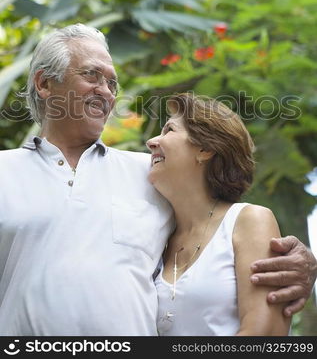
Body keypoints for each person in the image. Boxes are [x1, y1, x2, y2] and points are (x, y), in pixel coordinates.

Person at [0, 24, 315, 336]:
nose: (107, 91)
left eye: (113, 83)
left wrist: (300, 263)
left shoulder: (154, 176)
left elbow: (219, 227)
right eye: (92, 75)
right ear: (44, 84)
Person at [146, 92, 315, 336]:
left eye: (169, 130)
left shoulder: (249, 220)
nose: (151, 141)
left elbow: (264, 335)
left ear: (204, 148)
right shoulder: (157, 239)